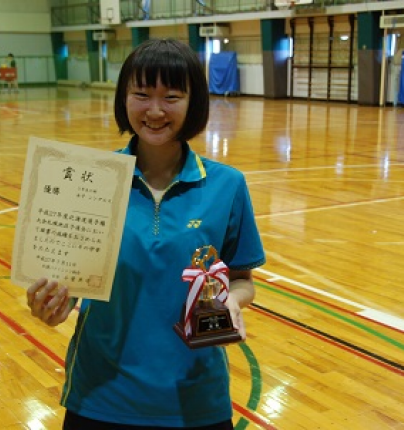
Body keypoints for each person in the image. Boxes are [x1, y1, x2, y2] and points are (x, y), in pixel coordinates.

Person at [26, 38, 265, 429]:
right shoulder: (91, 182)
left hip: (195, 399)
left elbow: (242, 280)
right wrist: (51, 306)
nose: (154, 111)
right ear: (123, 98)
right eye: (140, 94)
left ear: (194, 103)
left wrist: (233, 302)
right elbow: (68, 291)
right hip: (101, 396)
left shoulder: (228, 185)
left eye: (171, 96)